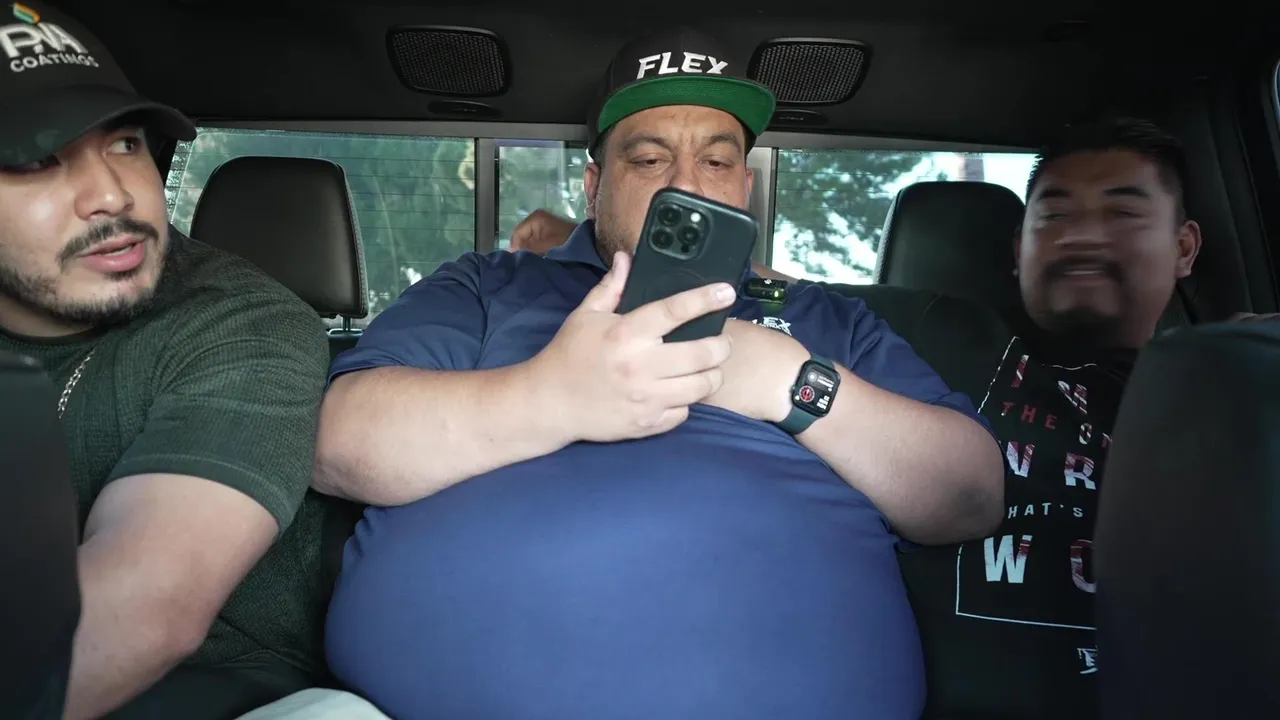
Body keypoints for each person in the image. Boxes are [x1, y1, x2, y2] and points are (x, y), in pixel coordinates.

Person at [315, 26, 1003, 720]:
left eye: (716, 161)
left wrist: (788, 381)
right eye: (648, 159)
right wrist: (550, 396)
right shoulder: (489, 286)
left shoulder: (830, 319)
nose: (685, 185)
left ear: (746, 186)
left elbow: (971, 496)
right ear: (594, 186)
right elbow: (338, 444)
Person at [0, 3, 331, 718]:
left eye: (124, 144)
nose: (113, 194)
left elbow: (144, 610)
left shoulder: (243, 323)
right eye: (34, 159)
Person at [895, 117, 1205, 720]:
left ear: (1184, 248)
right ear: (1019, 250)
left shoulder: (1235, 391)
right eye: (1055, 215)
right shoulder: (928, 333)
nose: (1081, 236)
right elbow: (759, 293)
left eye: (1123, 212)